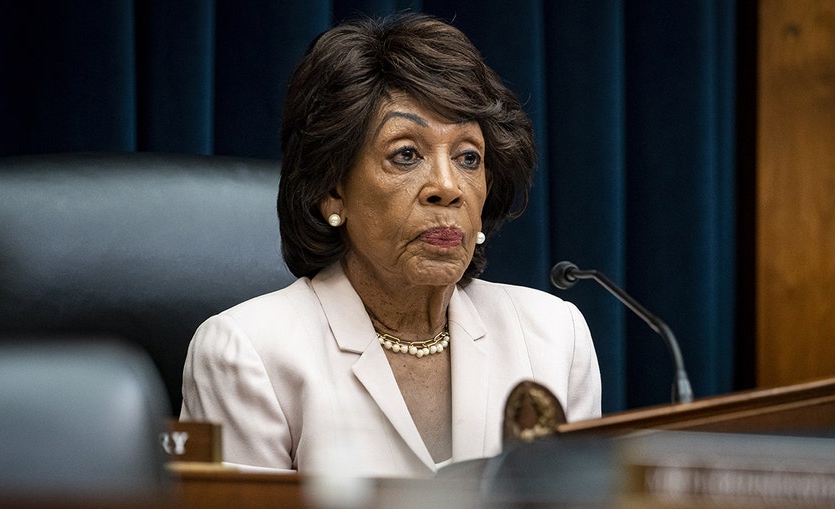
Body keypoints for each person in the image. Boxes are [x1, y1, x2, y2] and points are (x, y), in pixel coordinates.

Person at [180, 12, 602, 478]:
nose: (447, 186)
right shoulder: (247, 353)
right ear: (332, 190)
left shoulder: (552, 337)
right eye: (406, 154)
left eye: (468, 157)